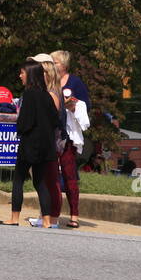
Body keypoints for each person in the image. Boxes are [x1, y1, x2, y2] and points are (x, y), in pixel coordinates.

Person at [0, 61, 58, 228]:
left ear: (30, 74)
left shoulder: (29, 94)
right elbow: (55, 120)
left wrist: (20, 129)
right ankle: (47, 221)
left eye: (22, 73)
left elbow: (25, 122)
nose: (20, 76)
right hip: (46, 145)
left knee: (18, 179)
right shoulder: (47, 95)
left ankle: (14, 218)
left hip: (30, 143)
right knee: (40, 182)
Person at [50, 51, 90, 229]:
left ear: (64, 65)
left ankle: (74, 215)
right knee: (50, 175)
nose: (51, 65)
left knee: (69, 174)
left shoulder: (75, 82)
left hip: (68, 135)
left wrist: (74, 106)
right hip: (51, 133)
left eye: (54, 62)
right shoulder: (48, 81)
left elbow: (86, 105)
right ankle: (52, 214)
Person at [28, 53, 64, 227]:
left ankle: (53, 218)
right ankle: (44, 215)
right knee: (42, 179)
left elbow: (48, 122)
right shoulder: (45, 92)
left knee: (50, 179)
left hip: (49, 144)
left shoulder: (52, 94)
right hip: (42, 142)